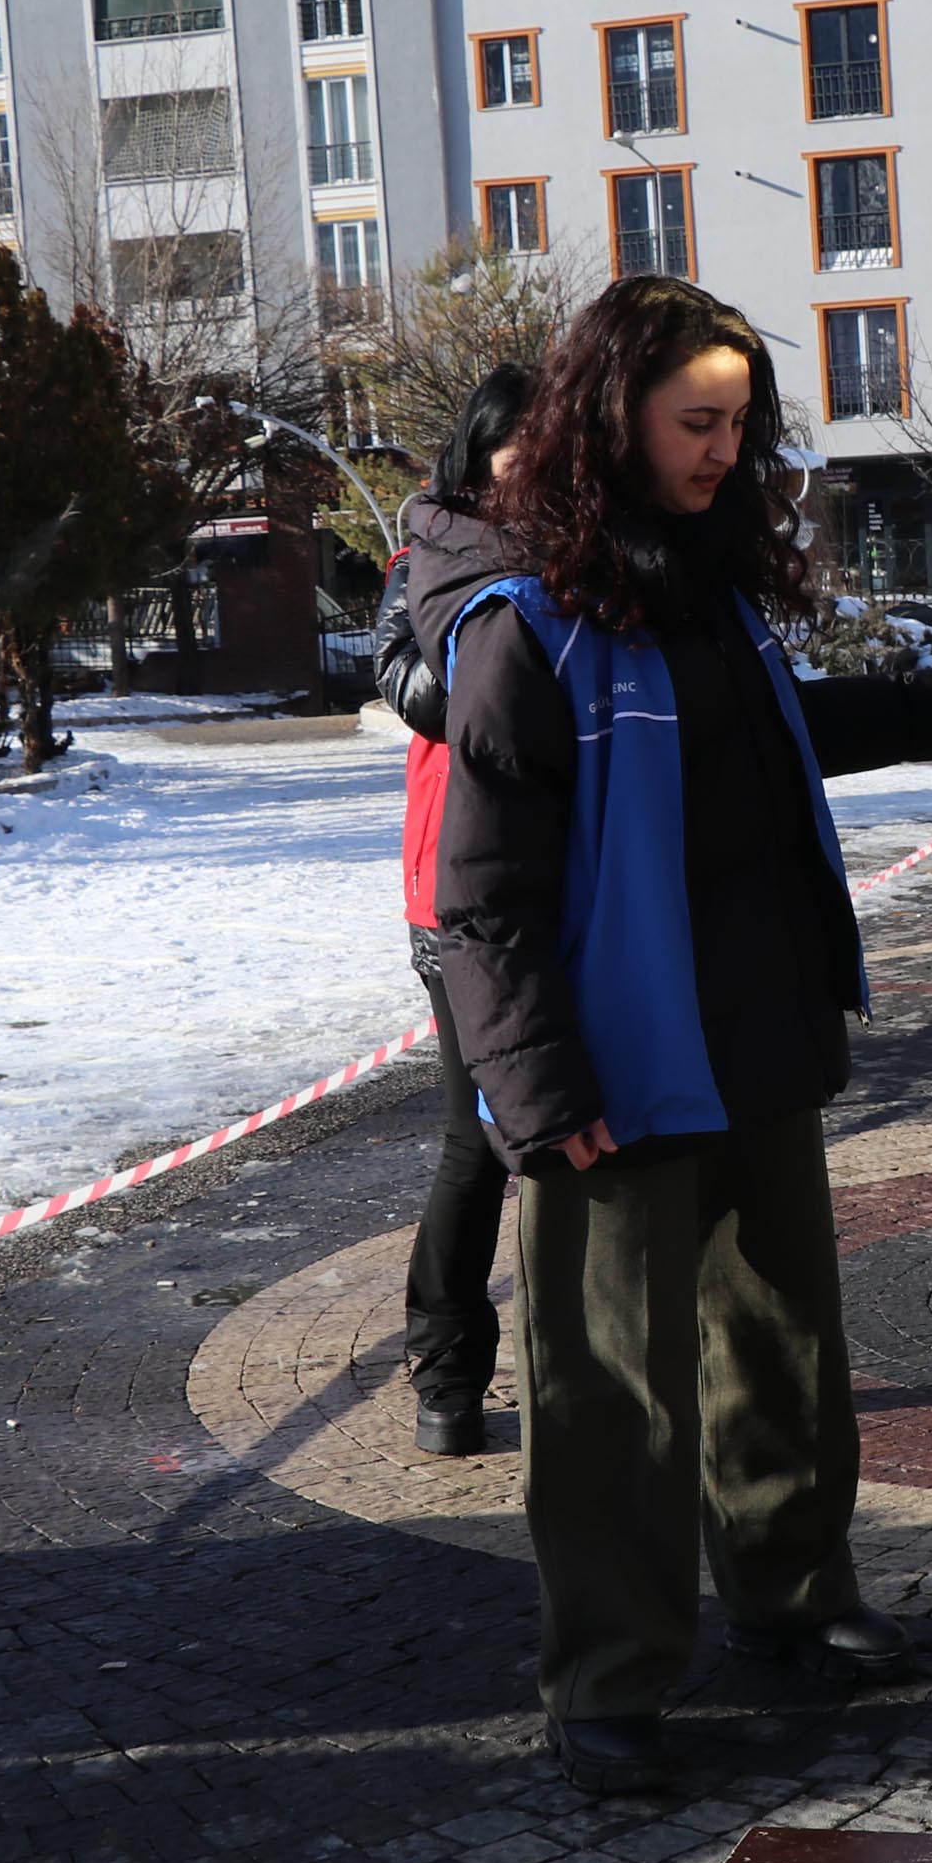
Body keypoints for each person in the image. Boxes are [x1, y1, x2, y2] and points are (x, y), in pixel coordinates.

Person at [405, 276, 932, 1797]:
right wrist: (535, 1087)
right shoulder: (526, 635)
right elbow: (485, 902)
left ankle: (791, 1600)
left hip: (758, 1046)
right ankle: (608, 1680)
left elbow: (780, 753)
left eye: (740, 423)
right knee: (609, 1392)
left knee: (781, 1345)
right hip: (613, 1074)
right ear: (614, 424)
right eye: (696, 423)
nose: (726, 451)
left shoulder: (715, 599)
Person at [374, 367, 532, 1458]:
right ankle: (446, 1373)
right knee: (476, 1141)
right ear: (478, 453)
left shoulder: (593, 556)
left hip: (579, 883)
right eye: (518, 443)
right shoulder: (424, 560)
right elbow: (402, 677)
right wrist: (500, 671)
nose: (536, 461)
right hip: (460, 892)